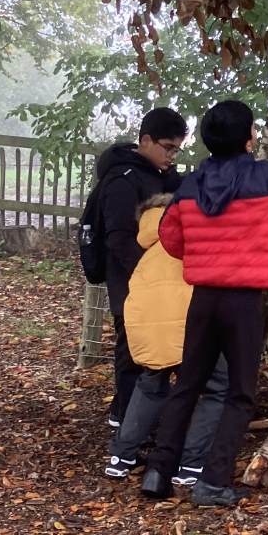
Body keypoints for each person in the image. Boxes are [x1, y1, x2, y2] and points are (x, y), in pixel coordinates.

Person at [141, 83, 268, 506]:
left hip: (203, 300)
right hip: (244, 303)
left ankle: (157, 473)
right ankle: (213, 482)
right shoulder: (267, 180)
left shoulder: (191, 186)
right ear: (248, 139)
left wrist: (206, 251)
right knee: (239, 392)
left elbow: (170, 238)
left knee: (187, 384)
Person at [104, 194, 230, 484]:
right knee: (217, 386)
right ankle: (192, 463)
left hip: (149, 330)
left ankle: (121, 456)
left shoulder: (147, 255)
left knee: (151, 384)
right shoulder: (189, 241)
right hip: (191, 328)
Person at [93, 107, 186, 426]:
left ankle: (137, 418)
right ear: (145, 140)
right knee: (131, 351)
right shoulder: (122, 180)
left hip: (160, 283)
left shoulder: (164, 176)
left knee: (155, 350)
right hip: (129, 281)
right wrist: (145, 275)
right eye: (167, 147)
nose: (172, 155)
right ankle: (125, 422)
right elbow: (119, 238)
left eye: (177, 149)